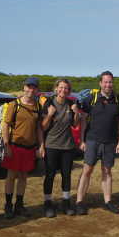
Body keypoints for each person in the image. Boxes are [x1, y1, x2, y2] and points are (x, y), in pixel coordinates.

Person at [75, 71, 119, 215]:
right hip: (92, 140)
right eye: (105, 82)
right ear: (100, 83)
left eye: (110, 82)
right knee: (87, 170)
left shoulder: (118, 100)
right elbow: (83, 119)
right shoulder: (91, 98)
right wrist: (82, 140)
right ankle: (79, 201)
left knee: (107, 171)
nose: (108, 84)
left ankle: (108, 201)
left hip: (110, 142)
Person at [1, 77, 45, 219]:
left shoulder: (38, 106)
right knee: (11, 176)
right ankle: (8, 205)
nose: (30, 90)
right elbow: (5, 125)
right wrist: (6, 144)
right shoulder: (15, 105)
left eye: (34, 87)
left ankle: (19, 205)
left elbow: (38, 128)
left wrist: (41, 145)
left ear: (37, 90)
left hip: (30, 147)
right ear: (24, 87)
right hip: (14, 146)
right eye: (28, 87)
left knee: (23, 177)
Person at [41, 79, 81, 217]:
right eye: (61, 87)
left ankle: (65, 201)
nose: (63, 90)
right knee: (50, 174)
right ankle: (47, 202)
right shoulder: (49, 103)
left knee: (66, 174)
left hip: (67, 146)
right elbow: (43, 126)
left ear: (69, 91)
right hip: (51, 145)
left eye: (66, 88)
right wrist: (50, 114)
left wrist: (76, 113)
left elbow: (75, 125)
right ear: (56, 89)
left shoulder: (71, 104)